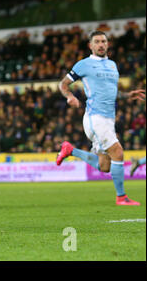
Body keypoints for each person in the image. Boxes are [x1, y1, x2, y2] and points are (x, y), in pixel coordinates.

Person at [56, 30, 145, 206]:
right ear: (91, 46)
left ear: (108, 44)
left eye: (103, 41)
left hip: (108, 120)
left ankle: (70, 150)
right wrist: (70, 96)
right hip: (95, 118)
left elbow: (111, 93)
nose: (101, 44)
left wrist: (128, 95)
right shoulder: (84, 64)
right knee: (118, 152)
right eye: (97, 42)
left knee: (105, 166)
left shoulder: (112, 65)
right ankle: (121, 197)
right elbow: (63, 84)